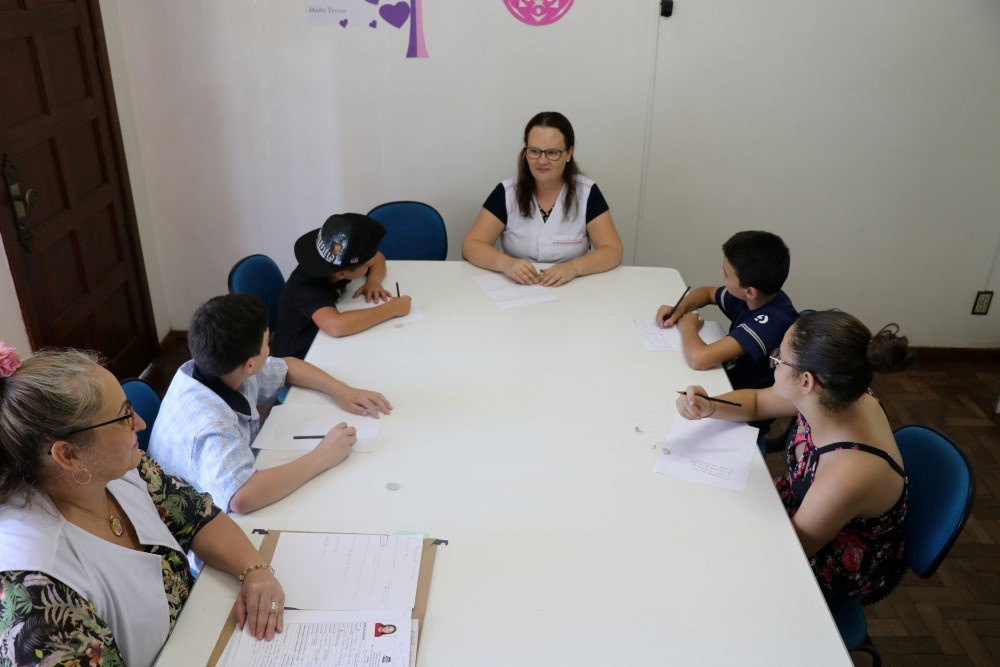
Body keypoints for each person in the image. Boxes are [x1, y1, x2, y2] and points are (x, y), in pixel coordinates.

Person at [0, 345, 286, 667]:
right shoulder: (34, 592)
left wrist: (255, 571)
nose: (139, 423)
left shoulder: (122, 468)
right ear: (69, 455)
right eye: (124, 416)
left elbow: (197, 517)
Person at [675, 311, 913, 609]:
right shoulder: (832, 392)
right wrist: (709, 405)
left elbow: (791, 551)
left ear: (806, 381)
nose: (773, 361)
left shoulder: (848, 474)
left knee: (710, 574)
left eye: (779, 357)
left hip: (830, 555)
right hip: (805, 510)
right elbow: (757, 402)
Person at [148, 293, 392, 514]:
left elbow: (288, 367)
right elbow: (242, 498)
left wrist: (342, 390)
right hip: (188, 523)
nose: (270, 346)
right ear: (250, 364)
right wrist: (322, 457)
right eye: (267, 342)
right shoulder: (211, 427)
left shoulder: (217, 368)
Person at [656, 230, 798, 448]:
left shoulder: (772, 321)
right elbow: (707, 293)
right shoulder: (755, 296)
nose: (721, 274)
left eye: (727, 274)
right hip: (725, 381)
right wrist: (680, 308)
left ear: (750, 291)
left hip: (745, 408)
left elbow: (699, 359)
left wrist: (688, 327)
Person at [461, 111, 623, 287]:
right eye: (534, 151)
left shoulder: (587, 193)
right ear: (526, 151)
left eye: (552, 152)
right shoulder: (507, 192)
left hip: (572, 289)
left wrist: (573, 268)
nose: (542, 161)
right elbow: (471, 245)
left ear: (569, 153)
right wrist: (506, 264)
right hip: (516, 288)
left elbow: (612, 251)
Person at [273, 213, 412, 358]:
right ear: (341, 274)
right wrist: (391, 309)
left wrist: (373, 281)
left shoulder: (334, 261)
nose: (371, 264)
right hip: (301, 357)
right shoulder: (306, 288)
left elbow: (377, 257)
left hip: (324, 343)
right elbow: (336, 326)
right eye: (368, 265)